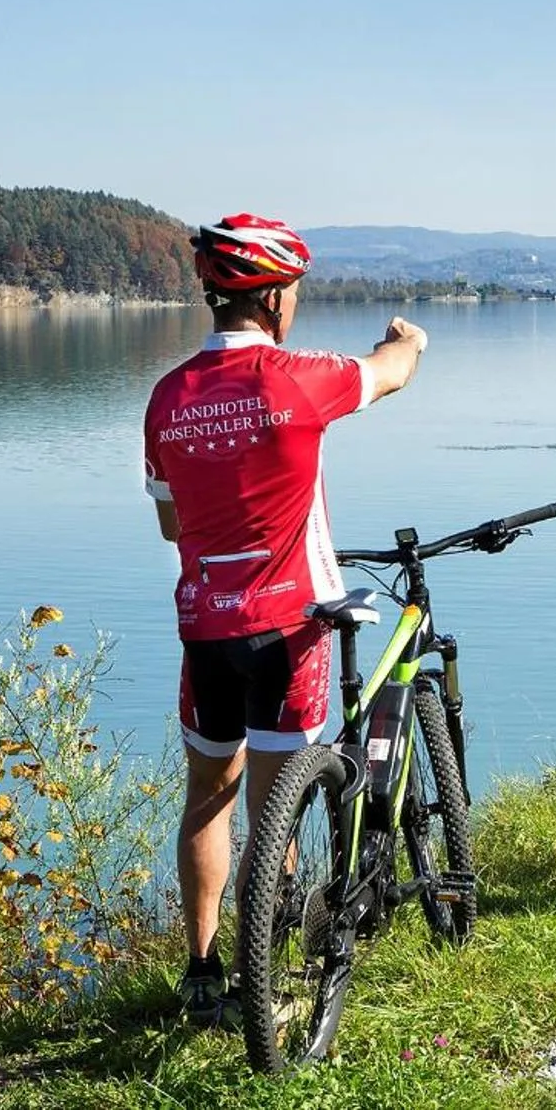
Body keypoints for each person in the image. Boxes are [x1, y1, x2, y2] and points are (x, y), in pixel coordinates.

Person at [142, 213, 428, 1020]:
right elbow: (391, 369)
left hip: (205, 628)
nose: (295, 303)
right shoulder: (299, 377)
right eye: (293, 290)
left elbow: (172, 523)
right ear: (270, 296)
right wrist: (410, 338)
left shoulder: (167, 398)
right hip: (287, 628)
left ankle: (201, 973)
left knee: (207, 796)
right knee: (276, 811)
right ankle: (261, 974)